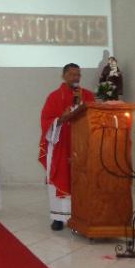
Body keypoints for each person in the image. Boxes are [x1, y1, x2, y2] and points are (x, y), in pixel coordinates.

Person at [39, 63, 95, 231]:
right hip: (60, 145)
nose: (76, 78)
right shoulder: (54, 97)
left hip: (82, 146)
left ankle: (79, 217)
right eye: (72, 74)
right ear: (63, 76)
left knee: (81, 181)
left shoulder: (88, 96)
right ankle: (57, 217)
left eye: (78, 74)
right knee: (59, 177)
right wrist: (62, 119)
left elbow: (95, 117)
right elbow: (46, 120)